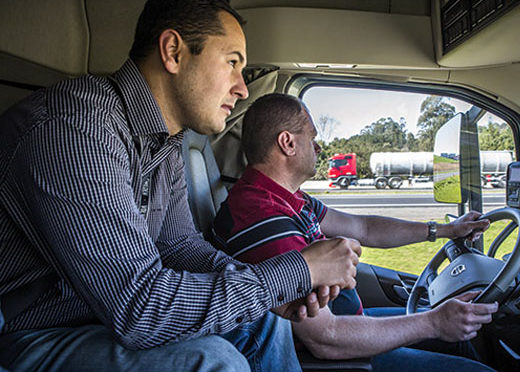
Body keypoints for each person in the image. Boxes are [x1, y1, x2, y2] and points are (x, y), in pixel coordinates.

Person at [0, 2, 362, 371]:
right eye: (232, 63)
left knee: (265, 320)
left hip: (95, 317)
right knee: (214, 362)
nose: (240, 88)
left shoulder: (165, 143)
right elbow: (138, 309)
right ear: (173, 52)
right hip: (34, 331)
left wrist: (269, 290)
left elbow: (178, 245)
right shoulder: (76, 130)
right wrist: (295, 271)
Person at [212, 93, 498, 372]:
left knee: (462, 338)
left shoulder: (290, 199)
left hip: (348, 323)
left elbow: (364, 228)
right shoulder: (261, 214)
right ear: (287, 143)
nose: (318, 148)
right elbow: (325, 338)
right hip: (335, 356)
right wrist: (435, 322)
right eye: (312, 138)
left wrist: (446, 230)